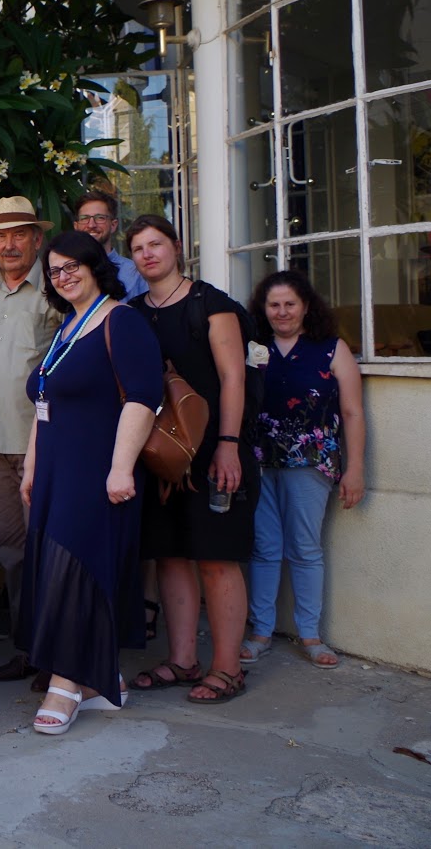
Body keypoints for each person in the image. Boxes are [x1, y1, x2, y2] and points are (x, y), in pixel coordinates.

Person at [20, 232, 162, 734]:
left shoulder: (122, 321)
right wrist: (33, 467)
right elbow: (45, 405)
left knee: (76, 568)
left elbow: (144, 397)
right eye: (55, 271)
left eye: (72, 266)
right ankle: (105, 682)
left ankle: (66, 680)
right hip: (59, 471)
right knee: (63, 564)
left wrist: (121, 467)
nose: (64, 276)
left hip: (99, 470)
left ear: (95, 265)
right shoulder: (68, 328)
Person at [126, 214, 258, 703]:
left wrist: (228, 444)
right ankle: (182, 660)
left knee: (217, 558)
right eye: (138, 248)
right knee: (171, 555)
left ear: (177, 247)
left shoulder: (211, 305)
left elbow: (234, 379)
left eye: (155, 244)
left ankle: (228, 667)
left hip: (212, 451)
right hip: (158, 455)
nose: (148, 254)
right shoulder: (132, 312)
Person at [244, 270, 366, 670]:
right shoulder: (251, 348)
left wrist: (356, 468)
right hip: (258, 462)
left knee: (305, 548)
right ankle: (261, 631)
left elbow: (351, 411)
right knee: (263, 548)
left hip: (310, 463)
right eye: (274, 305)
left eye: (290, 304)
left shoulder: (331, 349)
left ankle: (310, 634)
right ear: (264, 309)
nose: (282, 312)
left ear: (306, 307)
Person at [0, 196, 59, 683]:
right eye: (0, 236)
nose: (8, 244)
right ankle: (28, 648)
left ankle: (55, 653)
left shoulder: (56, 288)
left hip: (41, 444)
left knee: (47, 546)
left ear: (37, 239)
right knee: (10, 548)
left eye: (19, 234)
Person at [74, 189, 148, 299]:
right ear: (76, 226)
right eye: (85, 218)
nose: (91, 225)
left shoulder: (135, 273)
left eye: (100, 218)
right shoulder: (67, 273)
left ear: (113, 225)